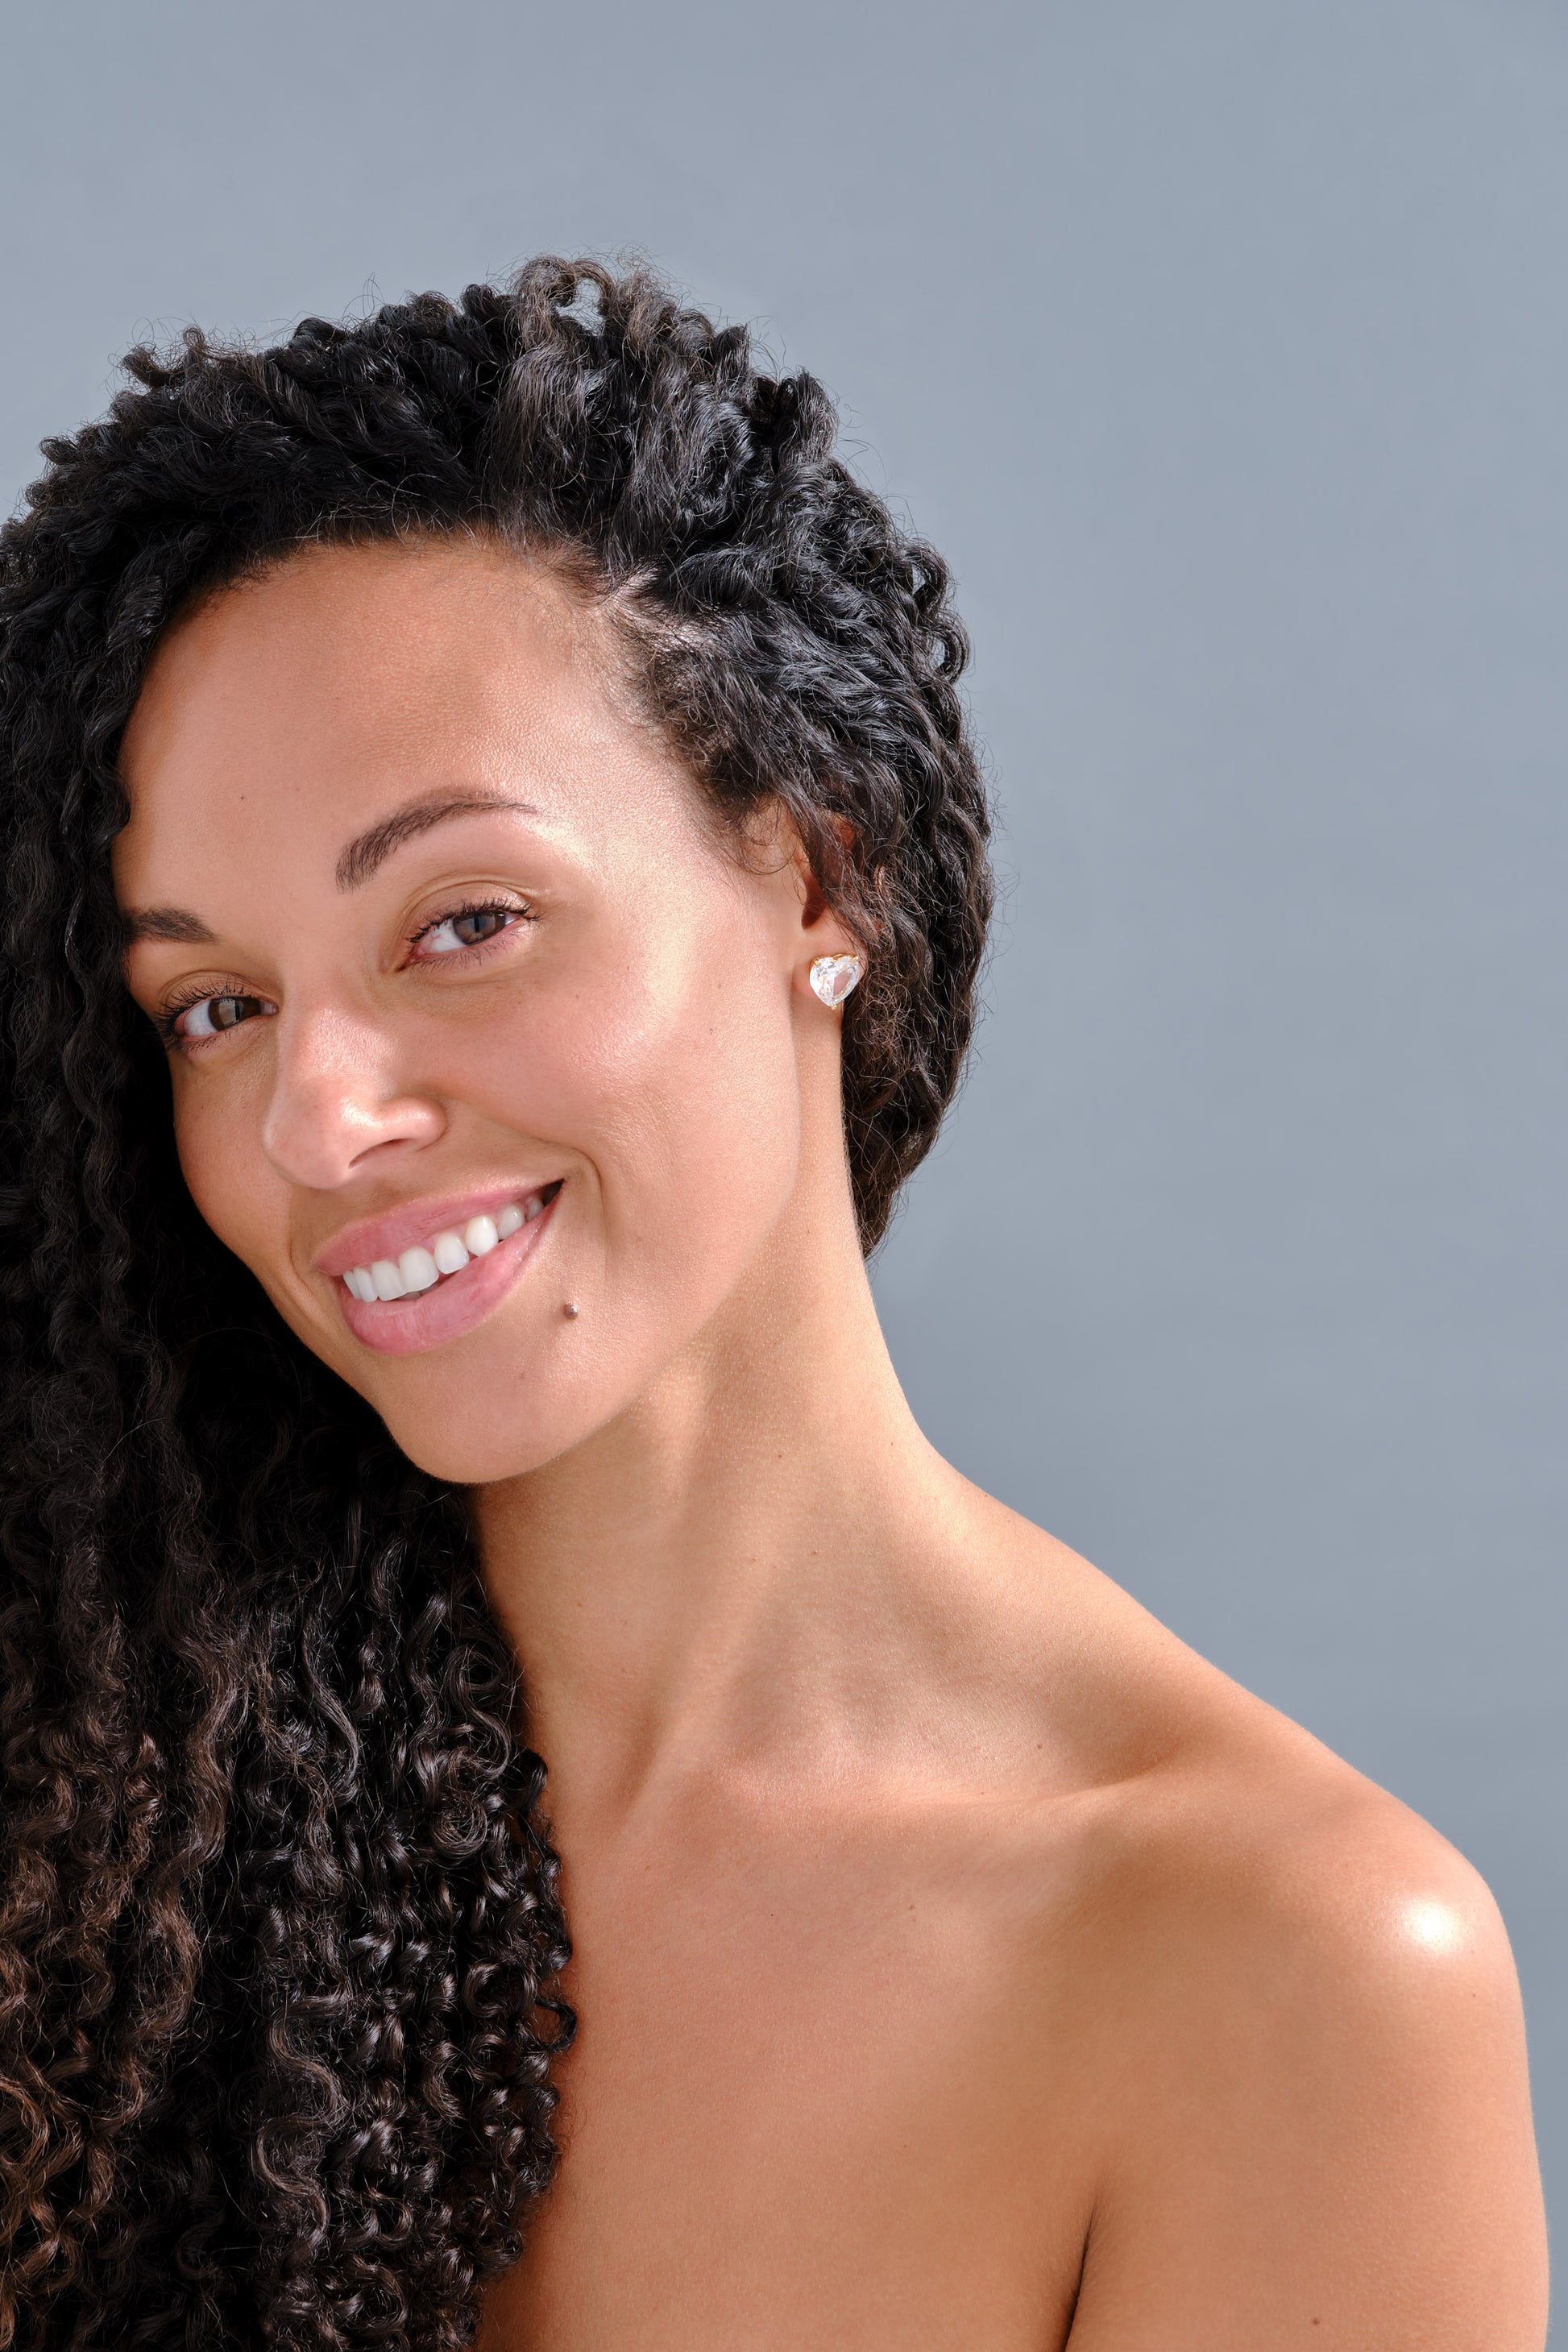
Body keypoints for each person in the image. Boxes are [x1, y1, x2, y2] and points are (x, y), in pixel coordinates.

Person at [0, 255, 1545, 2352]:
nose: (315, 1117)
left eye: (463, 919)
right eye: (215, 1005)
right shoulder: (91, 1847)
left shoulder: (1271, 1969)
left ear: (812, 872)